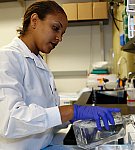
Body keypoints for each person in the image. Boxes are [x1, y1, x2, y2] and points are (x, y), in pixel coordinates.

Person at [0, 1, 120, 150]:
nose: (59, 38)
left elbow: (46, 117)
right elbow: (9, 121)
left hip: (45, 144)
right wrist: (71, 111)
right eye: (55, 28)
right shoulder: (7, 58)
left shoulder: (39, 62)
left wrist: (75, 119)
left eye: (62, 33)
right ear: (34, 20)